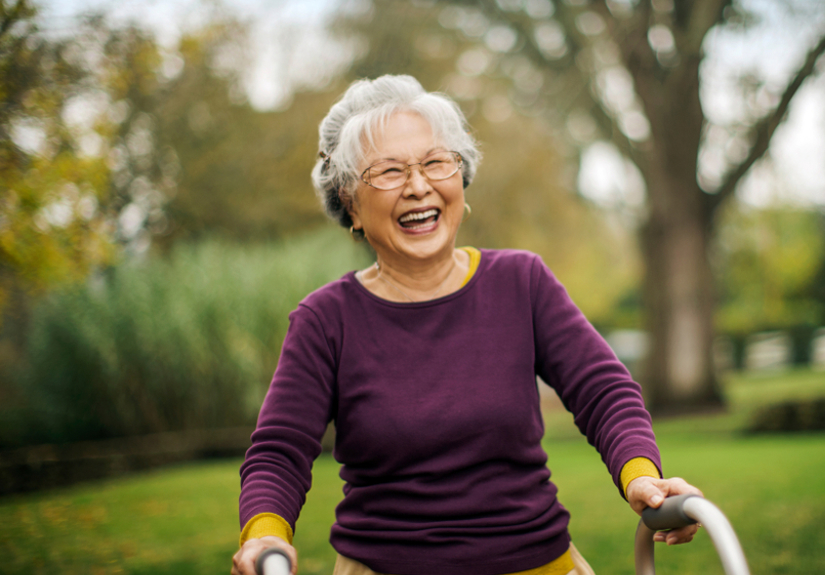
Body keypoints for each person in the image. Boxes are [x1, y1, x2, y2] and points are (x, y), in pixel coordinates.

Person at [231, 75, 702, 575]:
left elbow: (603, 391)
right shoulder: (325, 321)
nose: (418, 186)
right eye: (388, 172)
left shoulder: (522, 282)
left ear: (460, 178)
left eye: (436, 162)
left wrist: (641, 477)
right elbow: (279, 451)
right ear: (350, 203)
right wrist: (264, 536)